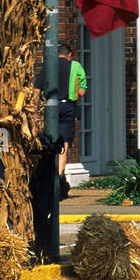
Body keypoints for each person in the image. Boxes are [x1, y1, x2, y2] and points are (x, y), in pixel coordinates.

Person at [58, 42, 87, 199]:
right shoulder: (75, 66)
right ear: (69, 55)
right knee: (64, 142)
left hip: (51, 107)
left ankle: (53, 174)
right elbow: (81, 92)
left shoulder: (51, 65)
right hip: (68, 106)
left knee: (51, 141)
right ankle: (60, 175)